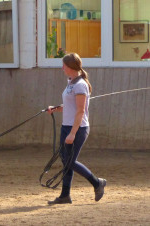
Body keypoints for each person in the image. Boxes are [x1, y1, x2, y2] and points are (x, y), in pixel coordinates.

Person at [46, 53, 106, 205]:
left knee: (70, 161)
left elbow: (80, 111)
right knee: (66, 161)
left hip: (78, 128)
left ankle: (97, 182)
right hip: (66, 126)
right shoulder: (71, 82)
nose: (62, 68)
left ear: (71, 67)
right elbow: (71, 106)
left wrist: (73, 133)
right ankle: (65, 196)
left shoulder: (80, 85)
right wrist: (56, 108)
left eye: (64, 66)